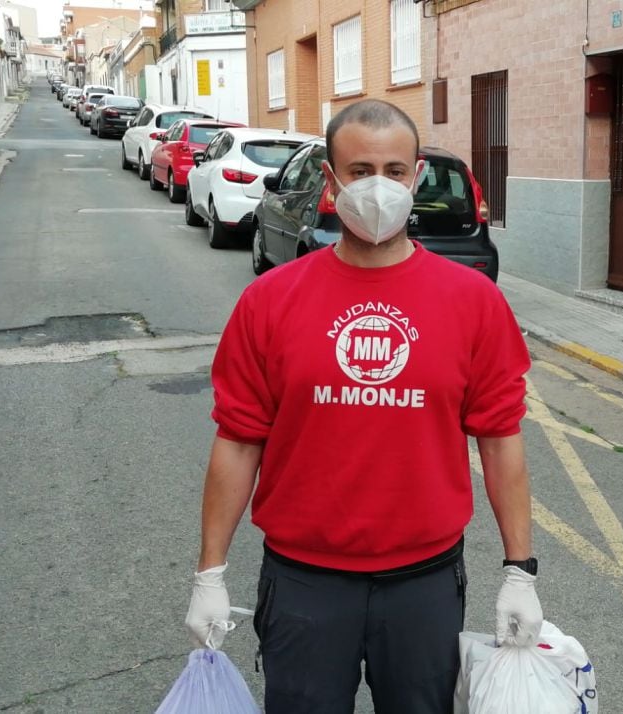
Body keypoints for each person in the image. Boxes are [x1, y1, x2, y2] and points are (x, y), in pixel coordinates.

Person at [185, 98, 542, 714]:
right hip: (303, 582)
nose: (379, 187)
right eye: (359, 171)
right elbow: (239, 439)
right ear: (329, 179)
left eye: (395, 171)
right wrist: (209, 573)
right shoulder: (270, 301)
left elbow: (501, 436)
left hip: (424, 583)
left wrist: (520, 571)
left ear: (417, 176)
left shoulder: (473, 302)